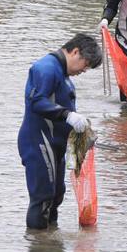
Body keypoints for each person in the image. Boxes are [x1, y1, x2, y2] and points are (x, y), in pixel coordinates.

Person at [18, 34, 102, 229]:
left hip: (55, 143)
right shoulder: (46, 68)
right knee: (43, 198)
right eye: (86, 64)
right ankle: (38, 246)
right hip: (38, 141)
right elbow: (37, 101)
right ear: (75, 52)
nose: (84, 70)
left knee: (56, 195)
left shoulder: (62, 73)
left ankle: (51, 244)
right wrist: (68, 116)